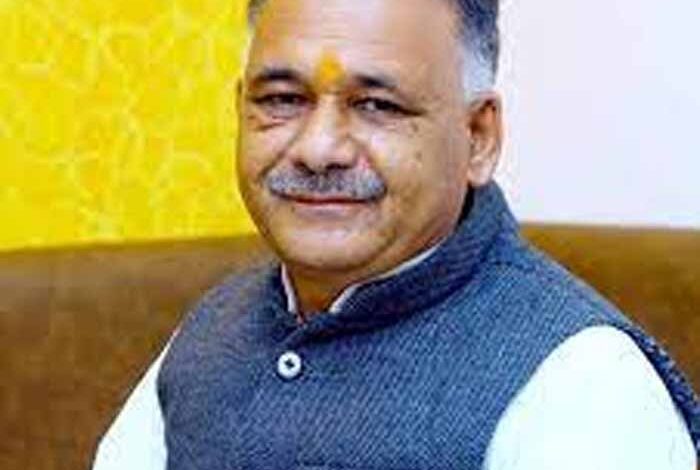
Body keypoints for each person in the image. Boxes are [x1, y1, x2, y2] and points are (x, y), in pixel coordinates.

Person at [92, 0, 700, 468]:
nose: (318, 148)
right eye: (282, 99)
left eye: (377, 106)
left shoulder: (584, 389)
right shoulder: (210, 333)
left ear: (478, 137)